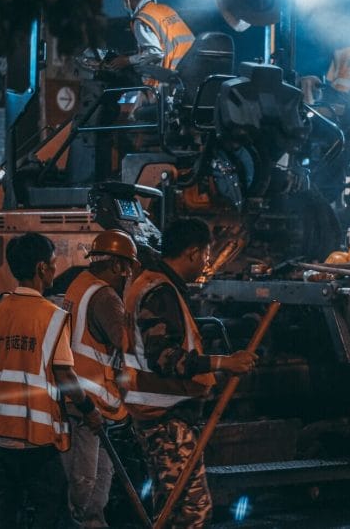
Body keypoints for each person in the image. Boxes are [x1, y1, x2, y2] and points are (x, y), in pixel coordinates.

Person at [122, 218, 257, 527]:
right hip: (165, 417)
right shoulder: (160, 291)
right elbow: (166, 358)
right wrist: (224, 362)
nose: (207, 262)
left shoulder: (149, 282)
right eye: (207, 254)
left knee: (170, 508)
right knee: (192, 510)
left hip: (157, 412)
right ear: (194, 253)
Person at [0, 232, 103, 529]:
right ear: (40, 268)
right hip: (35, 437)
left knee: (6, 510)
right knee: (50, 508)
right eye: (52, 263)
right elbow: (65, 375)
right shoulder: (51, 316)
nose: (55, 269)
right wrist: (89, 410)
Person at [61, 230, 139, 528]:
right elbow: (128, 344)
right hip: (88, 404)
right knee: (85, 484)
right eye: (129, 266)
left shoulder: (79, 285)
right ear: (117, 265)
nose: (130, 273)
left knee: (96, 485)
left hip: (81, 397)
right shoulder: (105, 296)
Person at [109, 0, 194, 83]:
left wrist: (127, 61)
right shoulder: (166, 9)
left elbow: (156, 53)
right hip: (191, 68)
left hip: (172, 79)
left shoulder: (141, 20)